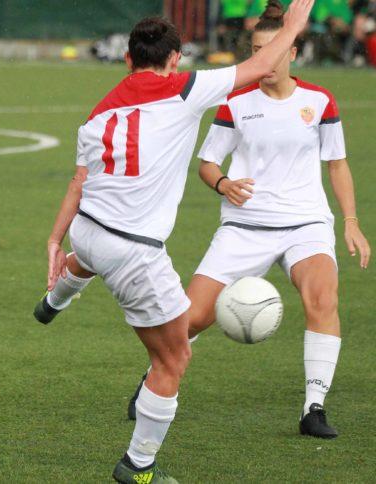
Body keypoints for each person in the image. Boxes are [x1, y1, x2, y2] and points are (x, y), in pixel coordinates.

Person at [32, 1, 314, 482]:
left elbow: (80, 182)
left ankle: (53, 301)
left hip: (87, 230)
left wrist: (56, 238)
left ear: (126, 60)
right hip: (133, 251)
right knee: (174, 355)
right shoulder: (185, 89)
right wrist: (292, 26)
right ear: (175, 58)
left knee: (90, 256)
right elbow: (264, 65)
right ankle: (137, 465)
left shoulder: (97, 114)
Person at [124, 0, 370, 440]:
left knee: (323, 299)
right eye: (258, 49)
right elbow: (207, 163)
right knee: (190, 317)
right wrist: (223, 185)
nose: (266, 59)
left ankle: (314, 406)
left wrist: (350, 220)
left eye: (275, 49)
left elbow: (337, 164)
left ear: (292, 51)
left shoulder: (320, 100)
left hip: (305, 224)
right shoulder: (236, 102)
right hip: (243, 226)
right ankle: (154, 378)